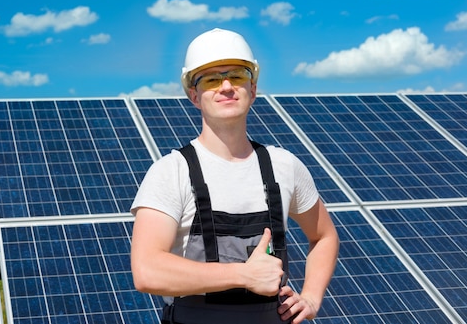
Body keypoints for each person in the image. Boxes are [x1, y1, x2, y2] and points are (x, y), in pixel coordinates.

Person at [131, 28, 339, 324]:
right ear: (194, 95)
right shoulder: (171, 171)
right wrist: (244, 274)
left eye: (238, 76)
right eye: (212, 79)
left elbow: (324, 236)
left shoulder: (285, 166)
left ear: (252, 89)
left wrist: (311, 297)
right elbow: (147, 270)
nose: (226, 86)